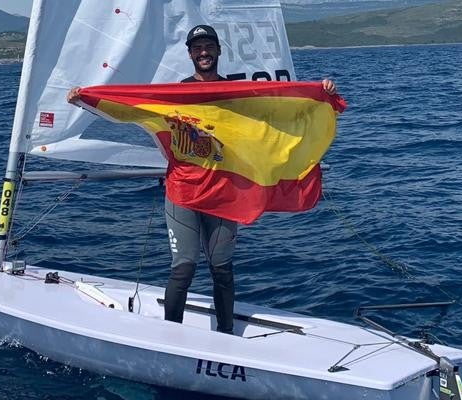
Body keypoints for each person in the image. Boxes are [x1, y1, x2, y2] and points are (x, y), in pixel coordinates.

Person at [68, 24, 336, 334]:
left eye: (209, 46)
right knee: (183, 267)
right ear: (190, 54)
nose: (204, 52)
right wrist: (85, 99)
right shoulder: (175, 96)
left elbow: (278, 114)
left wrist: (321, 93)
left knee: (221, 268)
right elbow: (130, 108)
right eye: (197, 48)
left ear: (219, 51)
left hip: (225, 193)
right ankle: (171, 337)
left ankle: (225, 336)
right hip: (183, 192)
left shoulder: (236, 97)